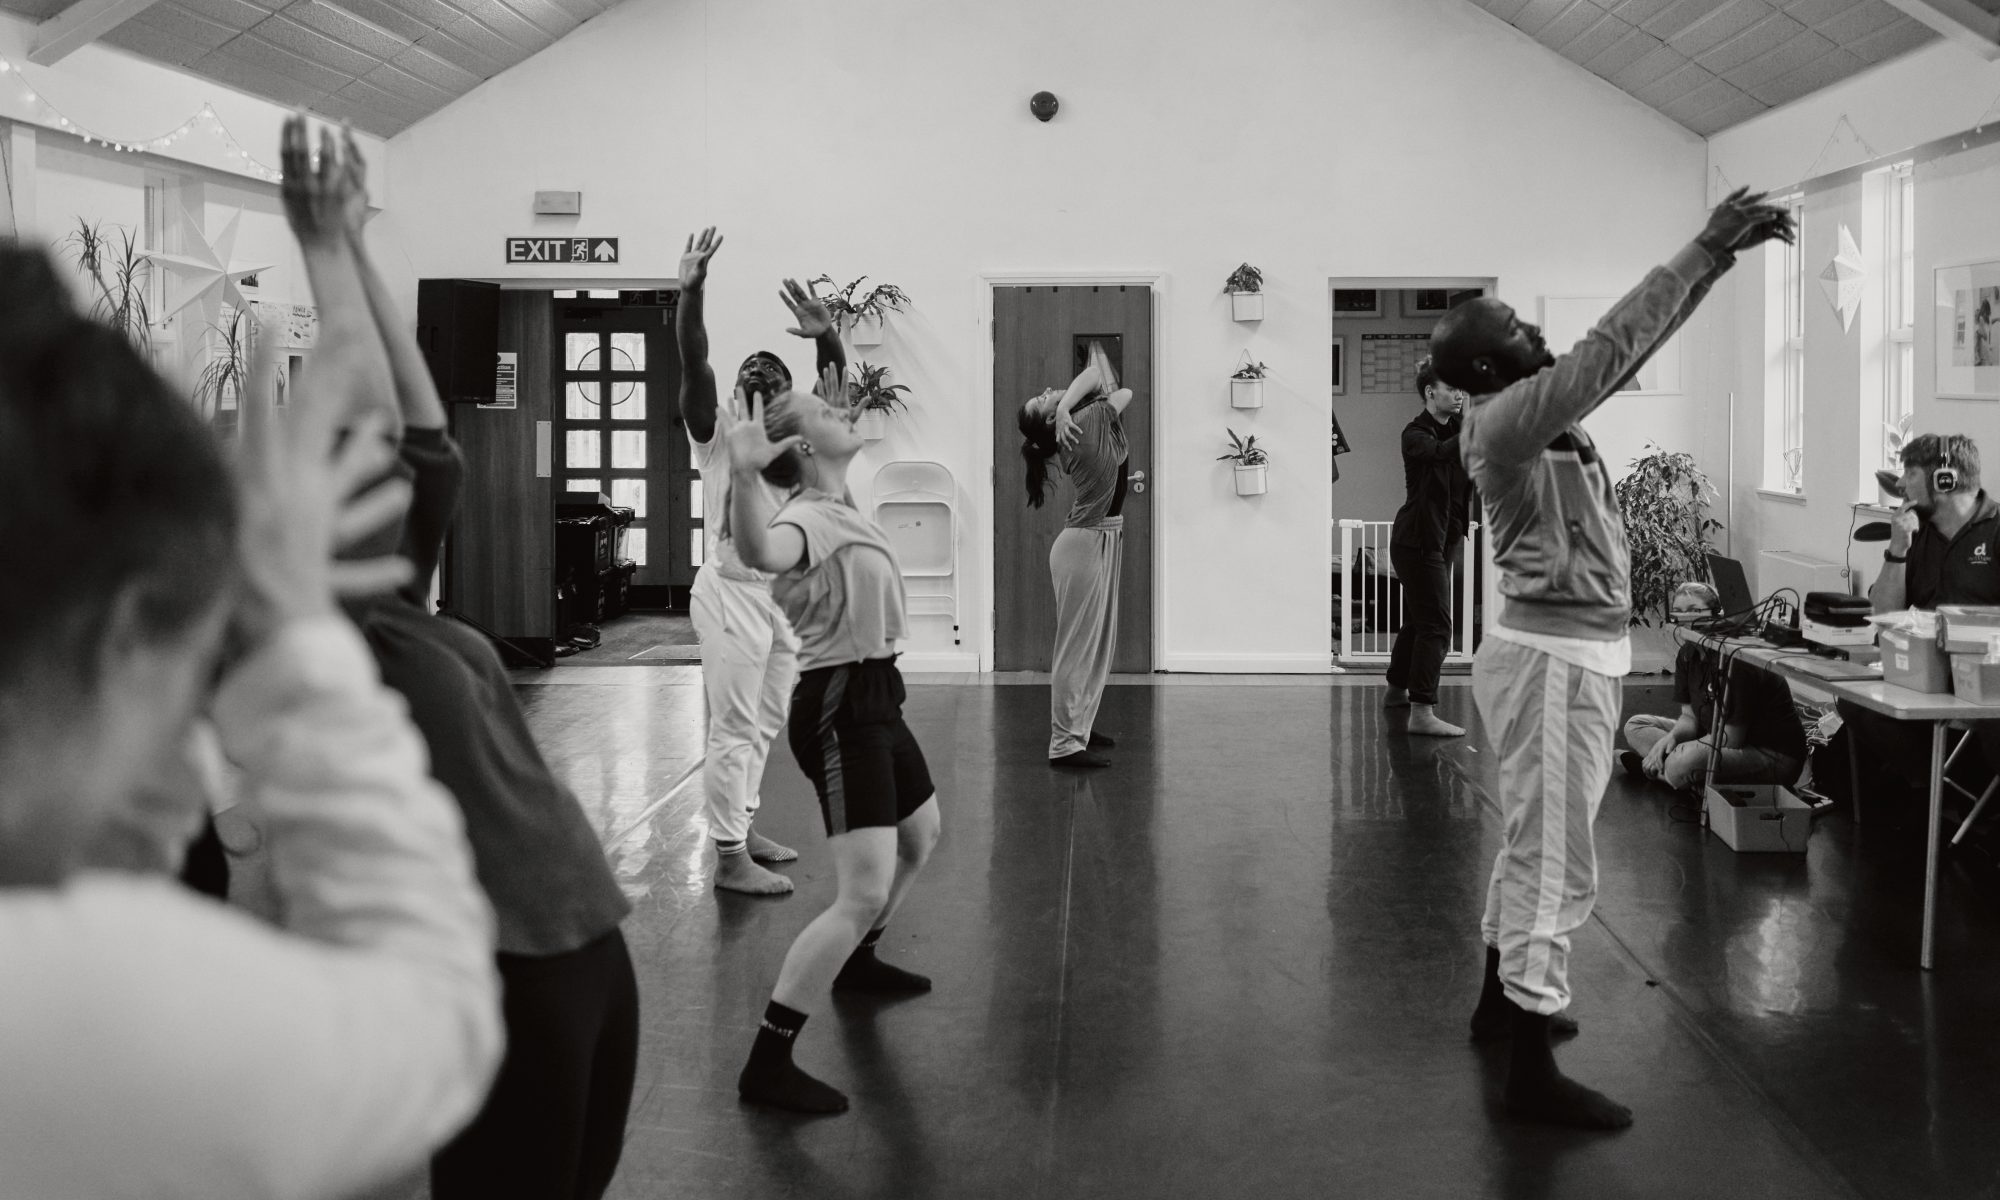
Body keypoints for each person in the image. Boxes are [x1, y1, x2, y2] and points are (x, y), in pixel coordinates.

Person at [0, 234, 502, 1194]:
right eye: (186, 674)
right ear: (125, 628)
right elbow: (433, 1014)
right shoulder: (90, 1012)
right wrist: (297, 639)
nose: (193, 772)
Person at [287, 122, 638, 1200]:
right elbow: (352, 398)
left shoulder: (384, 588)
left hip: (586, 941)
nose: (372, 460)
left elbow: (424, 428)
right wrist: (321, 253)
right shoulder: (301, 628)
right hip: (496, 969)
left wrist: (343, 243)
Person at [1431, 186, 1794, 1131]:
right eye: (1510, 323)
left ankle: (1496, 1008)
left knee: (1529, 841)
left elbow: (1628, 345)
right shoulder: (1508, 419)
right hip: (1553, 662)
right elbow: (1610, 347)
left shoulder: (1529, 414)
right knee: (1557, 858)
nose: (1528, 327)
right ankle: (1528, 1070)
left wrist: (1713, 263)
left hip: (1559, 654)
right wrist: (1708, 243)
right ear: (1488, 360)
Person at [724, 368, 943, 1115]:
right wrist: (743, 472)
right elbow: (760, 552)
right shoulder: (804, 520)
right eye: (825, 409)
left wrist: (825, 340)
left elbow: (834, 398)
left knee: (922, 835)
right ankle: (768, 1059)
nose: (842, 408)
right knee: (863, 888)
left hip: (878, 692)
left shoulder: (835, 502)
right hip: (841, 705)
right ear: (801, 446)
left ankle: (860, 961)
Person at [678, 227, 847, 895]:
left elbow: (833, 386)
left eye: (770, 391)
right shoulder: (716, 436)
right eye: (749, 389)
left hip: (781, 603)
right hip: (729, 596)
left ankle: (742, 826)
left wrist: (828, 334)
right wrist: (690, 294)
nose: (758, 400)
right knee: (733, 725)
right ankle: (725, 858)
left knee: (765, 723)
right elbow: (696, 364)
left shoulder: (802, 442)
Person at [1844, 433, 2000, 819]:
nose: (1899, 484)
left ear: (1944, 479)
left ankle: (1969, 804)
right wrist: (1898, 549)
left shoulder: (1995, 531)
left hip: (1983, 680)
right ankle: (1946, 796)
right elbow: (1884, 615)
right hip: (1922, 673)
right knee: (1854, 703)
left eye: (1910, 473)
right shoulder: (1918, 536)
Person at [1018, 341, 1136, 769]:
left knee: (1096, 645)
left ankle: (1079, 727)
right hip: (1084, 543)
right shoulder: (1084, 419)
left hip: (1100, 538)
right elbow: (1112, 387)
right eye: (1044, 398)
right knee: (1076, 647)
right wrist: (1068, 405)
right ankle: (1064, 743)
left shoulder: (1079, 422)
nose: (1050, 389)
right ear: (1052, 418)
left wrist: (1062, 407)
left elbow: (1105, 388)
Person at [1384, 356, 1473, 737]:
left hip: (1441, 540)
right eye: (1452, 388)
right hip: (1417, 541)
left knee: (1418, 622)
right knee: (1437, 625)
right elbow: (1440, 454)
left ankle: (1395, 691)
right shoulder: (1415, 434)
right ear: (1429, 392)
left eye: (1461, 388)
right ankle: (1422, 712)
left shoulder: (1459, 427)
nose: (1459, 394)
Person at [1620, 641, 1806, 792]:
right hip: (1713, 736)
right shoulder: (1687, 653)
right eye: (1679, 611)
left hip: (1770, 756)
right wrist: (1672, 737)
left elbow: (1731, 739)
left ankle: (1660, 769)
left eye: (1695, 610)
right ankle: (1678, 773)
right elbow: (1689, 718)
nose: (1687, 618)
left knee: (1683, 761)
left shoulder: (1738, 661)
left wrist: (1683, 750)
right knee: (1635, 726)